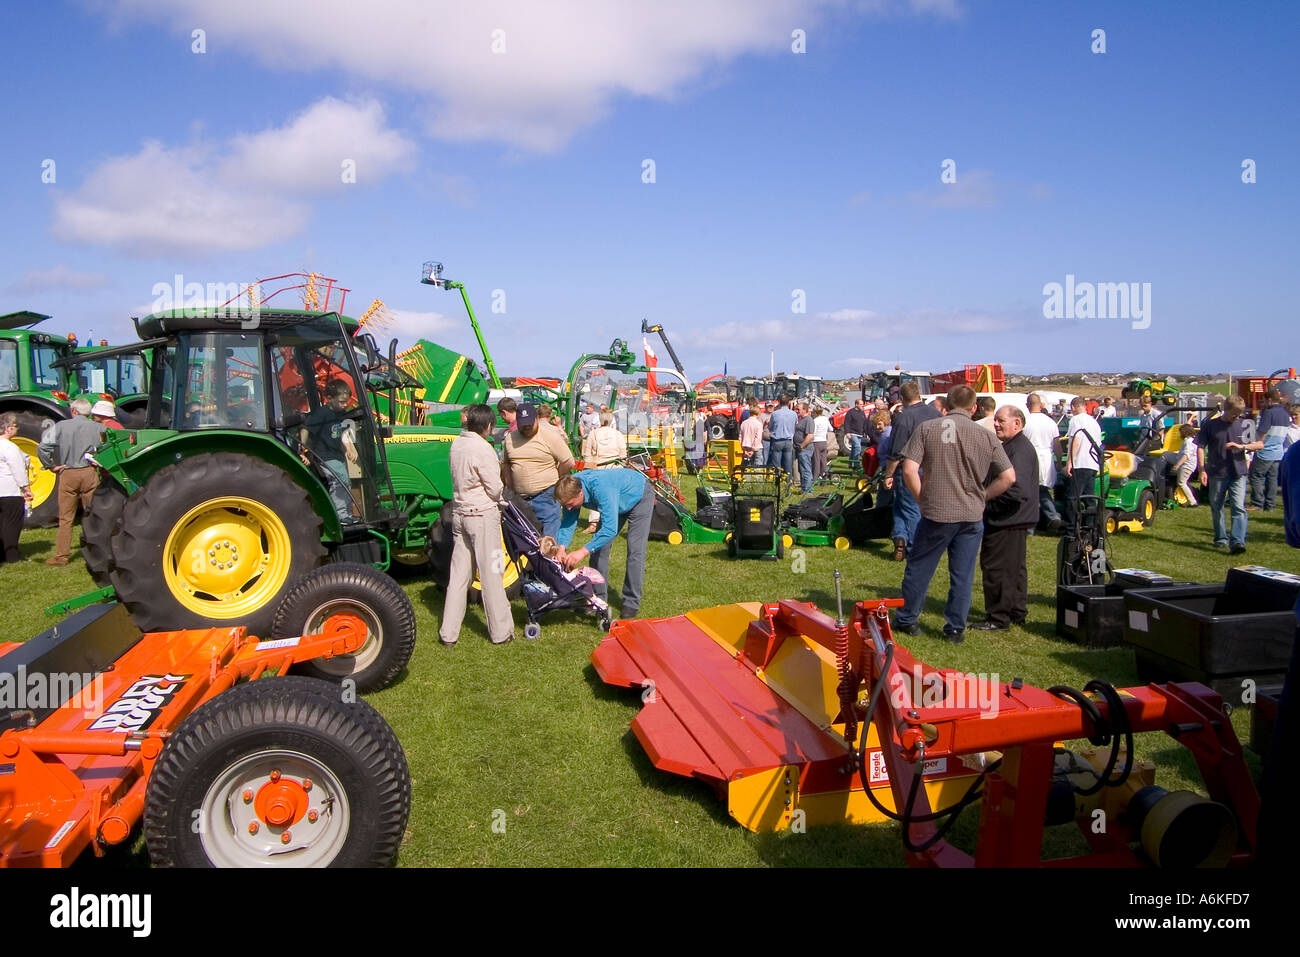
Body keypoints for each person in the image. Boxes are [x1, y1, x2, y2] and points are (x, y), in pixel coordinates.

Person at [894, 386, 1015, 642]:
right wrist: (982, 496)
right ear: (974, 408)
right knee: (962, 574)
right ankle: (955, 628)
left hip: (937, 511)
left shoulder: (928, 429)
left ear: (946, 405)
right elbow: (1008, 477)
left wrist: (921, 500)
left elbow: (908, 470)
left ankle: (907, 618)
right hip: (971, 515)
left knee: (919, 568)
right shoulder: (986, 436)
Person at [439, 403, 514, 646]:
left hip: (460, 514)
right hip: (482, 517)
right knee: (493, 573)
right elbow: (494, 487)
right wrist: (504, 496)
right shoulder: (483, 449)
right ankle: (501, 631)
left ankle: (448, 633)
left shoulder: (457, 444)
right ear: (488, 425)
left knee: (459, 576)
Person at [553, 468, 653, 618]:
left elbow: (609, 530)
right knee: (599, 550)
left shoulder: (601, 488)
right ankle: (597, 600)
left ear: (580, 494)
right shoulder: (569, 488)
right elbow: (568, 521)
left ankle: (631, 602)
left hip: (639, 496)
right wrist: (561, 547)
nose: (568, 508)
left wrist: (582, 551)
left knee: (635, 552)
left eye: (570, 504)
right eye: (565, 505)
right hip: (616, 499)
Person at [975, 406, 1039, 631]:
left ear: (1017, 424)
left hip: (1007, 519)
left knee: (997, 568)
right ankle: (1015, 611)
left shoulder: (1018, 450)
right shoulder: (1014, 447)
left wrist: (987, 506)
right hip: (1013, 519)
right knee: (1014, 568)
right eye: (996, 421)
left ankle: (998, 617)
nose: (996, 425)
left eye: (1001, 421)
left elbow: (1015, 490)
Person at [36, 397, 103, 566]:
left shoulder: (61, 426)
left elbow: (42, 448)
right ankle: (97, 551)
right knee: (93, 515)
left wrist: (50, 466)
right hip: (89, 472)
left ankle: (61, 556)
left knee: (66, 518)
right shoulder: (99, 427)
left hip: (68, 473)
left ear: (74, 411)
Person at [883, 381, 940, 561]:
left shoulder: (903, 417)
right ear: (919, 394)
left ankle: (916, 547)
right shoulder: (936, 414)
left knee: (911, 508)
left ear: (902, 398)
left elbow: (896, 451)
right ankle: (900, 538)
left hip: (908, 470)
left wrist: (889, 474)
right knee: (901, 506)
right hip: (932, 468)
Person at [502, 402, 574, 538]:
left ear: (536, 419)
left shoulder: (549, 435)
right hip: (520, 499)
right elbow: (506, 465)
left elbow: (568, 461)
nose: (527, 428)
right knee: (526, 542)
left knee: (549, 541)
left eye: (530, 424)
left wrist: (557, 478)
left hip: (546, 496)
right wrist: (511, 487)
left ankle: (549, 559)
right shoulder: (510, 438)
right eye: (523, 425)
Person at [1197, 394, 1252, 553]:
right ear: (1225, 410)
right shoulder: (1210, 425)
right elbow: (1200, 446)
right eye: (1234, 413)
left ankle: (1238, 541)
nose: (1237, 416)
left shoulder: (1245, 424)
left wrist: (1242, 448)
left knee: (1238, 507)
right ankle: (1221, 538)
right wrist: (1202, 469)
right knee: (1216, 505)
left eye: (1239, 413)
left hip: (1238, 472)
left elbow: (1256, 444)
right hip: (1217, 472)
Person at [300, 380, 359, 521]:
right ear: (330, 398)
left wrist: (350, 449)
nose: (344, 405)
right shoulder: (322, 413)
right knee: (341, 480)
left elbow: (344, 434)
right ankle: (340, 516)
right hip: (323, 455)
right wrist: (302, 449)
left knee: (344, 482)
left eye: (346, 402)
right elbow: (306, 429)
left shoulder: (341, 413)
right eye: (341, 402)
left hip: (337, 455)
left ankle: (347, 515)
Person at [1247, 389, 1292, 511]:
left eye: (1264, 401)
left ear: (1270, 400)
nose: (1263, 404)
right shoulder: (1285, 413)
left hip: (1265, 450)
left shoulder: (1269, 413)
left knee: (1256, 476)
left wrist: (1254, 444)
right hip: (1278, 451)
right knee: (1272, 479)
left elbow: (1262, 432)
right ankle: (1270, 505)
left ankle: (1257, 503)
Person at [1023, 393, 1062, 531]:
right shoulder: (1050, 422)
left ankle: (1030, 525)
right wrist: (1058, 460)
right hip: (1046, 459)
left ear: (1027, 406)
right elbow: (1057, 444)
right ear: (1040, 405)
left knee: (1029, 493)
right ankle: (1053, 516)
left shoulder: (1024, 421)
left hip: (1029, 459)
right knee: (1042, 490)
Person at [1063, 396, 1102, 527]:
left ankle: (1071, 527)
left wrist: (1069, 462)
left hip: (1080, 463)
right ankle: (1090, 526)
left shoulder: (1076, 420)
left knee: (1072, 498)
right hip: (1092, 463)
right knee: (1089, 498)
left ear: (1073, 407)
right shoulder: (1094, 422)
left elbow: (1076, 441)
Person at [0, 412, 33, 563]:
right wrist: (26, 488)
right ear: (7, 429)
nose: (17, 429)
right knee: (12, 524)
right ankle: (11, 555)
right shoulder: (10, 447)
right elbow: (17, 469)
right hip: (9, 491)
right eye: (15, 426)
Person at [767, 396, 797, 481]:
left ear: (779, 402)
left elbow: (771, 427)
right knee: (788, 465)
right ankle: (788, 485)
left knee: (777, 465)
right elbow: (795, 425)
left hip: (777, 440)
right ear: (788, 403)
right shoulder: (793, 414)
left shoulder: (775, 414)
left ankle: (778, 484)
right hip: (788, 441)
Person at [1172, 424, 1200, 506]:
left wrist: (1177, 465)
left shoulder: (1188, 442)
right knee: (1183, 483)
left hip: (1186, 465)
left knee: (1181, 483)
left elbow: (1186, 455)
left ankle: (1193, 502)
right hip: (1190, 465)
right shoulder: (1193, 440)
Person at [794, 402, 816, 494]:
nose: (796, 411)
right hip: (801, 449)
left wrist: (801, 446)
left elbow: (810, 436)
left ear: (805, 410)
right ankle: (804, 489)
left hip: (805, 449)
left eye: (798, 409)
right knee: (802, 469)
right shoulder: (802, 419)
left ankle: (808, 491)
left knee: (806, 470)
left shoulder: (808, 420)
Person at [843, 398, 868, 472]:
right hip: (853, 433)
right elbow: (846, 423)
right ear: (856, 404)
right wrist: (847, 432)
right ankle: (856, 464)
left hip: (860, 433)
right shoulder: (850, 412)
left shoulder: (862, 413)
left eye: (862, 404)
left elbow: (864, 423)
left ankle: (851, 463)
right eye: (860, 404)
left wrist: (866, 433)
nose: (862, 406)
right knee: (858, 447)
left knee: (854, 449)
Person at [739, 399, 764, 466]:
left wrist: (744, 449)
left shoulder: (744, 423)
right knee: (757, 468)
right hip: (756, 449)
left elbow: (740, 437)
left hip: (745, 447)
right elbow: (758, 438)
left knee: (746, 468)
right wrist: (752, 450)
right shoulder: (758, 424)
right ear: (758, 413)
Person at [811, 405, 831, 482]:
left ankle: (815, 478)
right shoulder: (825, 419)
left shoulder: (815, 421)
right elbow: (831, 428)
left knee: (816, 461)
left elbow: (813, 432)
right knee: (823, 461)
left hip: (816, 441)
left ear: (815, 412)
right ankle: (824, 477)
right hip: (824, 441)